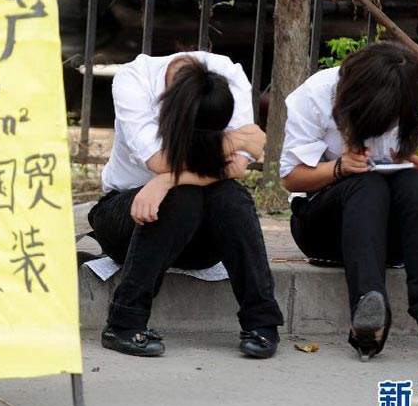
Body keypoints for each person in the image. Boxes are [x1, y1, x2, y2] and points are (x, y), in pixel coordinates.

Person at [280, 41, 418, 363]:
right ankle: (368, 308)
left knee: (413, 181)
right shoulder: (318, 94)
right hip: (324, 231)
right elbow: (290, 177)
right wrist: (339, 167)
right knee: (367, 184)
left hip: (397, 242)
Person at [88, 52, 285, 358]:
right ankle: (123, 324)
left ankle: (262, 322)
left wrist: (167, 181)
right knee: (183, 198)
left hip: (194, 234)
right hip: (126, 216)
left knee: (229, 196)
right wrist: (231, 141)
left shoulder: (227, 78)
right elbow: (157, 159)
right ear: (166, 110)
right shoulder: (134, 82)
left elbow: (234, 170)